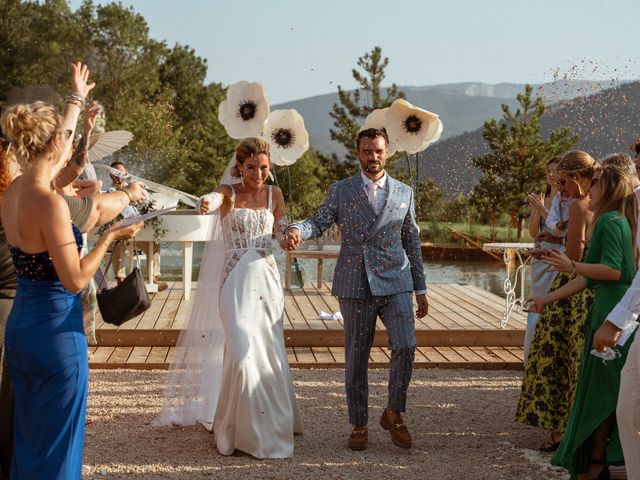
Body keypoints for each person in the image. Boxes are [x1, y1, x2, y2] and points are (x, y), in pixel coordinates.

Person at [0, 63, 142, 479]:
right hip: (55, 336)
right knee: (58, 446)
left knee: (29, 439)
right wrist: (110, 237)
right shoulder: (50, 203)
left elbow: (59, 156)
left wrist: (76, 100)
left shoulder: (12, 193)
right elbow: (75, 279)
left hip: (22, 330)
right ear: (53, 145)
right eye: (63, 137)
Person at [281, 127, 428, 451]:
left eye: (378, 151)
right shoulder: (341, 190)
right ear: (357, 153)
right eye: (366, 151)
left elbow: (411, 241)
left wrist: (421, 288)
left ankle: (394, 412)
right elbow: (318, 222)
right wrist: (296, 229)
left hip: (396, 281)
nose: (372, 157)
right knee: (356, 357)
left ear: (387, 151)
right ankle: (359, 424)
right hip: (355, 282)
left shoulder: (405, 192)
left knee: (405, 346)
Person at [157, 137, 302, 458]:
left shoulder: (273, 194)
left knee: (266, 349)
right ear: (239, 166)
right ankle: (236, 426)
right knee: (239, 349)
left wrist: (289, 234)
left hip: (265, 280)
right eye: (252, 167)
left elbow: (279, 228)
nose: (259, 173)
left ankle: (267, 425)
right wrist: (205, 202)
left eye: (264, 168)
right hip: (234, 282)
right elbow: (208, 199)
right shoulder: (228, 193)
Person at [527, 164, 637, 479]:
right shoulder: (615, 220)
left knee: (601, 394)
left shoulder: (610, 223)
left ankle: (598, 464)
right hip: (606, 307)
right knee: (600, 392)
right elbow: (588, 277)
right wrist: (547, 299)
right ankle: (598, 462)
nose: (590, 187)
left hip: (611, 313)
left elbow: (615, 272)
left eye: (597, 182)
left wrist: (572, 263)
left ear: (611, 188)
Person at [516, 150, 597, 452]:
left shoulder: (580, 208)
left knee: (557, 360)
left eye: (563, 182)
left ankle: (561, 430)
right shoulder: (604, 205)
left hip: (572, 288)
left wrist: (547, 253)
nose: (559, 188)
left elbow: (574, 257)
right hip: (593, 287)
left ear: (577, 178)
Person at [593, 149, 640, 480]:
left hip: (619, 308)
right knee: (628, 411)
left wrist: (615, 320)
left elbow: (617, 269)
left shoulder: (612, 220)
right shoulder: (635, 201)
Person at [525, 157, 563, 362]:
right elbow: (533, 232)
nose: (551, 174)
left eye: (556, 170)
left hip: (559, 255)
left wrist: (542, 209)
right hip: (540, 256)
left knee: (555, 300)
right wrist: (535, 210)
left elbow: (560, 229)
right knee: (536, 302)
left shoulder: (568, 200)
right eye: (549, 170)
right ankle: (532, 354)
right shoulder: (542, 198)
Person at [108, 160, 167, 291]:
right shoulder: (109, 192)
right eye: (114, 172)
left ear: (126, 173)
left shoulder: (136, 188)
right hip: (120, 232)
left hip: (137, 230)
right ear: (110, 175)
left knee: (154, 244)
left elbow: (146, 204)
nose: (117, 175)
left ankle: (153, 279)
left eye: (120, 172)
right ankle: (120, 282)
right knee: (118, 244)